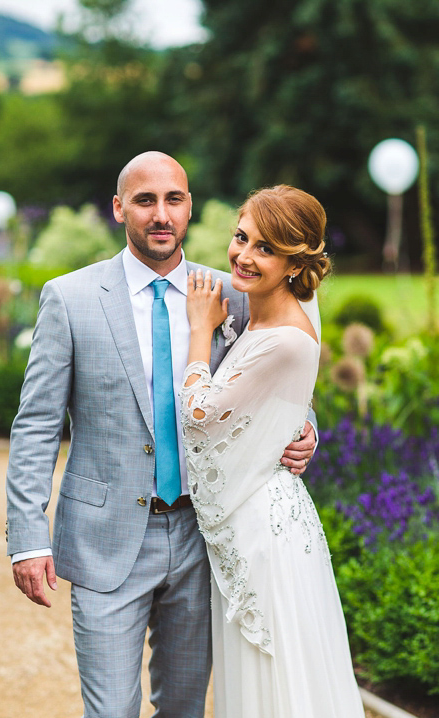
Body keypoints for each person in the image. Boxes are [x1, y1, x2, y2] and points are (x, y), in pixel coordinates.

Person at [5, 151, 317, 717]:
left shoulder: (236, 293)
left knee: (184, 707)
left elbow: (285, 373)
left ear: (189, 207)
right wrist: (27, 535)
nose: (161, 214)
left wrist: (305, 431)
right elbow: (36, 423)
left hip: (204, 537)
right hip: (104, 541)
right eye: (145, 200)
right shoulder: (70, 298)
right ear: (119, 208)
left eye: (173, 199)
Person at [182, 185, 363, 716]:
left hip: (263, 534)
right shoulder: (280, 307)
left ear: (294, 261)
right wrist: (303, 424)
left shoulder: (284, 334)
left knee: (277, 683)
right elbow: (286, 401)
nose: (242, 255)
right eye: (241, 238)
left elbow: (199, 416)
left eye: (265, 248)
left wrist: (199, 330)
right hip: (271, 518)